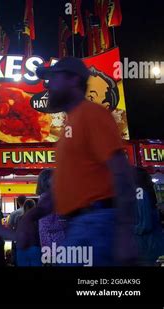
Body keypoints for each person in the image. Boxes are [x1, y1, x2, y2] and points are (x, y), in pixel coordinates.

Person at [37, 57, 138, 266]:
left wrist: (124, 233)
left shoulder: (92, 114)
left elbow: (122, 173)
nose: (47, 86)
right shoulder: (70, 124)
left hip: (97, 223)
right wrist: (31, 218)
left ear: (73, 80)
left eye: (53, 78)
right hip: (82, 224)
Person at [134, 168, 164, 265]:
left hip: (147, 245)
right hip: (154, 243)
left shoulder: (139, 191)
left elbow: (145, 224)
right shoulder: (145, 190)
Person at [35, 169, 67, 249]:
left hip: (51, 244)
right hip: (54, 244)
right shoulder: (47, 198)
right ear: (46, 181)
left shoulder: (47, 197)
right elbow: (49, 224)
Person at [15, 199, 42, 266]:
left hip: (21, 249)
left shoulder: (19, 219)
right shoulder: (38, 218)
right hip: (35, 247)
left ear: (24, 207)